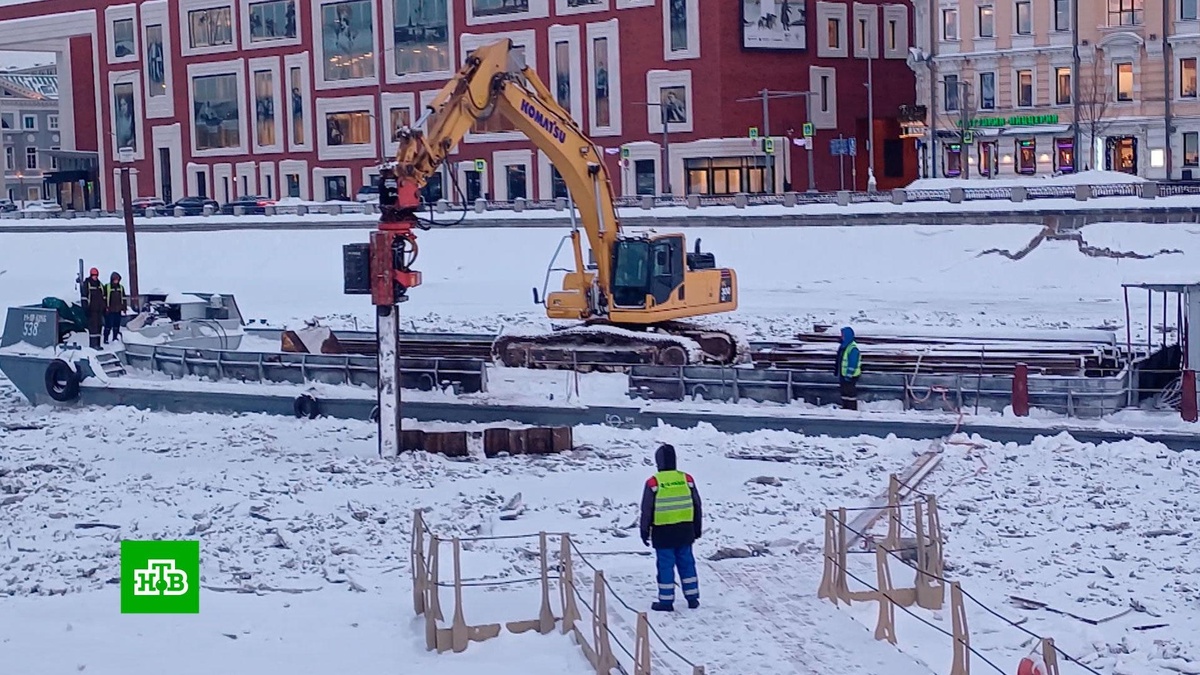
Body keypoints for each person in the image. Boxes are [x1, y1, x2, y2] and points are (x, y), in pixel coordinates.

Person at [639, 443, 702, 612]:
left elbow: (646, 510)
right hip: (685, 530)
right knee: (687, 563)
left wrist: (644, 531)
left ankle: (666, 601)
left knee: (665, 566)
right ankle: (692, 598)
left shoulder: (653, 482)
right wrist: (697, 528)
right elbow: (697, 504)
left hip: (663, 532)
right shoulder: (686, 479)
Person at [835, 326, 861, 410]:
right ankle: (845, 407)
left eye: (842, 335)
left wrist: (849, 374)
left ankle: (851, 408)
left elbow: (853, 362)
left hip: (851, 375)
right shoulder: (843, 346)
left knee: (850, 392)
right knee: (844, 391)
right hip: (843, 374)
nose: (841, 337)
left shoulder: (852, 348)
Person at [80, 267, 105, 349]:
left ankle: (98, 344)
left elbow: (103, 297)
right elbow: (84, 298)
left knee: (99, 328)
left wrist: (104, 308)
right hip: (91, 310)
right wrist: (85, 309)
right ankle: (93, 345)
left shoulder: (100, 285)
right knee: (93, 329)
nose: (95, 277)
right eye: (94, 275)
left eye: (96, 275)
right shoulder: (87, 284)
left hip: (99, 311)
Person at [103, 272, 127, 344]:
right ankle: (106, 339)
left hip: (118, 310)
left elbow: (124, 298)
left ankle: (115, 337)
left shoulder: (121, 288)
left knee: (116, 325)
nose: (116, 281)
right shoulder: (107, 287)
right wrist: (105, 307)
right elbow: (104, 298)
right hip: (109, 310)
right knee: (108, 325)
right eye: (115, 280)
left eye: (117, 280)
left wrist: (124, 308)